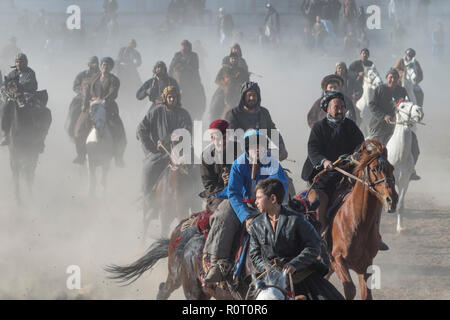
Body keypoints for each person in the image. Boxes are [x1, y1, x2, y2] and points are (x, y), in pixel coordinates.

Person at [203, 129, 289, 283]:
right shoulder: (238, 164)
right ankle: (218, 262)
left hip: (267, 205)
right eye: (253, 145)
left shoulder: (273, 164)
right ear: (247, 148)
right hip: (244, 205)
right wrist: (246, 217)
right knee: (224, 212)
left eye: (261, 145)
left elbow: (280, 188)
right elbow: (233, 193)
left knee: (293, 219)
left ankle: (300, 259)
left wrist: (270, 207)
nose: (257, 149)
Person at [248, 178, 344, 300]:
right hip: (271, 279)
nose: (255, 202)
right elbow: (254, 254)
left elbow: (314, 246)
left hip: (301, 275)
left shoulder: (297, 219)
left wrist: (295, 264)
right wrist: (265, 267)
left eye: (259, 198)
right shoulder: (256, 225)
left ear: (273, 199)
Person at [136, 85, 193, 213]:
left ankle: (196, 201)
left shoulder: (184, 114)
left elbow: (186, 131)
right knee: (147, 169)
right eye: (170, 97)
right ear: (165, 98)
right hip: (160, 153)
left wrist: (169, 140)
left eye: (174, 97)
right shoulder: (156, 112)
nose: (172, 99)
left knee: (195, 169)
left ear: (178, 98)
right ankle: (147, 200)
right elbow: (141, 128)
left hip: (181, 152)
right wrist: (150, 146)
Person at [368, 68, 421, 181]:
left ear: (398, 79)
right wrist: (384, 116)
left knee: (414, 144)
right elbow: (372, 105)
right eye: (390, 77)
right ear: (387, 78)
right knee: (375, 149)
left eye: (395, 77)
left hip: (398, 125)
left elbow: (407, 105)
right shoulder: (380, 89)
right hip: (380, 126)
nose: (392, 79)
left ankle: (411, 170)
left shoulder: (402, 91)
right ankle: (374, 173)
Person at [225, 81, 288, 162]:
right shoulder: (233, 114)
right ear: (243, 96)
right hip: (239, 157)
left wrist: (282, 147)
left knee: (282, 174)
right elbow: (232, 138)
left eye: (254, 95)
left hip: (262, 155)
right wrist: (250, 150)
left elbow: (273, 131)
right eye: (249, 95)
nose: (252, 98)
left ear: (258, 97)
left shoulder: (264, 113)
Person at [82, 57, 126, 167]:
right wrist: (85, 103)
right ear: (100, 66)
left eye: (107, 65)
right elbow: (87, 90)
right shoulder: (94, 78)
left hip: (108, 107)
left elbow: (113, 92)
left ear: (111, 67)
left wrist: (104, 100)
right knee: (81, 127)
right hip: (93, 106)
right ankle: (81, 152)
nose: (104, 67)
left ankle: (118, 156)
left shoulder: (114, 79)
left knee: (118, 128)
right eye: (103, 65)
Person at [200, 119, 240, 212]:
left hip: (240, 189)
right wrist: (224, 187)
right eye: (218, 139)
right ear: (212, 138)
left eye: (224, 138)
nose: (221, 142)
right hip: (217, 194)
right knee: (221, 212)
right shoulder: (207, 155)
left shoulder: (240, 149)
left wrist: (234, 179)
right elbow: (209, 184)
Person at [68, 56, 100, 164]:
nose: (95, 65)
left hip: (97, 99)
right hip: (81, 99)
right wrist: (82, 93)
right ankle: (72, 128)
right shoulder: (83, 74)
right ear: (89, 64)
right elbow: (75, 86)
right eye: (93, 63)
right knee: (74, 109)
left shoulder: (101, 74)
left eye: (96, 63)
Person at [1, 53, 38, 146]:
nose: (18, 64)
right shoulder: (12, 73)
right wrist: (5, 88)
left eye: (20, 62)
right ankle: (6, 134)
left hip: (27, 97)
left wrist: (17, 87)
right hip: (13, 98)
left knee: (38, 111)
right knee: (5, 107)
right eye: (17, 62)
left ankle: (37, 137)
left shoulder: (30, 73)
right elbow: (5, 84)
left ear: (25, 63)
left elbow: (28, 85)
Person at [169, 40, 206, 120]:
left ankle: (199, 109)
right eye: (182, 46)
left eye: (185, 46)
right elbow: (171, 67)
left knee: (198, 89)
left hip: (191, 78)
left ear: (189, 47)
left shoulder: (194, 55)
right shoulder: (177, 55)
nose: (183, 48)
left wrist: (184, 67)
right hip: (178, 78)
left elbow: (195, 67)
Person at [209, 52, 250, 122]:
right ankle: (213, 119)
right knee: (216, 102)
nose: (233, 60)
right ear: (229, 59)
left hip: (237, 92)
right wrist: (225, 84)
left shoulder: (242, 71)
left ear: (237, 60)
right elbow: (217, 80)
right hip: (224, 90)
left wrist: (240, 84)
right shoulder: (224, 69)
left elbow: (246, 82)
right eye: (232, 59)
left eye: (235, 59)